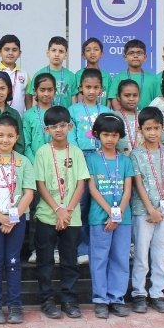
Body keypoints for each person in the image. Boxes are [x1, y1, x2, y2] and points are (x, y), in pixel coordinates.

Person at [0, 115, 35, 324]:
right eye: (0, 135)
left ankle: (14, 304)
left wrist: (13, 217)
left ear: (17, 137)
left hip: (17, 220)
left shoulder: (24, 161)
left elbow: (29, 192)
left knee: (13, 261)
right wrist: (0, 217)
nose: (5, 139)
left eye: (10, 136)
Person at [32, 105, 89, 319]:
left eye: (63, 125)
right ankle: (47, 300)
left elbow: (81, 184)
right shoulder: (42, 152)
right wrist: (58, 210)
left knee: (70, 260)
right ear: (46, 130)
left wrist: (68, 211)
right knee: (45, 260)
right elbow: (40, 184)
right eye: (53, 126)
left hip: (71, 217)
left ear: (70, 127)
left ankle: (69, 299)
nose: (59, 129)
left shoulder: (77, 152)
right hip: (48, 216)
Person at [129, 107, 164, 314]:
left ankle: (157, 293)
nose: (152, 132)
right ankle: (139, 293)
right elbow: (138, 183)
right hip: (143, 212)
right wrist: (151, 209)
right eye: (148, 128)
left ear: (162, 128)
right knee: (141, 254)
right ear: (140, 129)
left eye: (156, 128)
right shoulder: (136, 154)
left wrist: (162, 206)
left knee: (160, 253)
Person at [85, 114, 134, 318]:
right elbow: (92, 188)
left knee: (120, 258)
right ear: (97, 135)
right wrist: (109, 212)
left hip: (123, 218)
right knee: (99, 258)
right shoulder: (91, 159)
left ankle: (117, 298)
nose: (110, 139)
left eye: (114, 135)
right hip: (99, 217)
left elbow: (128, 190)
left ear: (120, 136)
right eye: (106, 134)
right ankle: (100, 299)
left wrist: (118, 213)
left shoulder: (125, 161)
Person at [68, 67, 110, 264]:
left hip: (103, 158)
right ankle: (82, 248)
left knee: (101, 202)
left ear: (101, 89)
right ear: (81, 88)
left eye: (96, 87)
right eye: (88, 87)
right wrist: (79, 159)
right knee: (82, 203)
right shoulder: (73, 111)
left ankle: (101, 246)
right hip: (82, 159)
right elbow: (71, 138)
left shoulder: (107, 112)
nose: (92, 91)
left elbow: (112, 137)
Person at [22, 72, 56, 263]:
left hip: (57, 169)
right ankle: (36, 248)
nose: (46, 93)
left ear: (55, 91)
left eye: (50, 90)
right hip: (35, 169)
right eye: (42, 90)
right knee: (36, 209)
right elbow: (26, 144)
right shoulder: (28, 115)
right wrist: (34, 165)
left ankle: (56, 248)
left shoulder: (60, 113)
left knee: (57, 206)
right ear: (35, 91)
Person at [26, 36, 79, 108]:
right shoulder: (39, 74)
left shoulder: (71, 76)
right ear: (48, 53)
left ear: (66, 55)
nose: (57, 54)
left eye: (61, 51)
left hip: (65, 114)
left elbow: (73, 103)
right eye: (54, 50)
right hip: (43, 114)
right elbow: (35, 101)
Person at [108, 39, 158, 110]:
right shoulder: (118, 78)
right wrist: (124, 115)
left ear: (145, 57)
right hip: (124, 116)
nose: (135, 56)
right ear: (125, 58)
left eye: (139, 53)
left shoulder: (153, 79)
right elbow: (115, 102)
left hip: (148, 116)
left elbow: (158, 101)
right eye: (131, 53)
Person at [74, 37, 111, 102]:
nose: (92, 52)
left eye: (96, 49)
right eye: (88, 50)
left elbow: (109, 99)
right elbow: (79, 96)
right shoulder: (79, 74)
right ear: (83, 55)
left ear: (101, 54)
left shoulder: (107, 76)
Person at [113, 79, 142, 155]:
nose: (131, 99)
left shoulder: (143, 116)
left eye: (135, 95)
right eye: (127, 95)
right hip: (120, 158)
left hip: (141, 158)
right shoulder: (113, 116)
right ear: (118, 97)